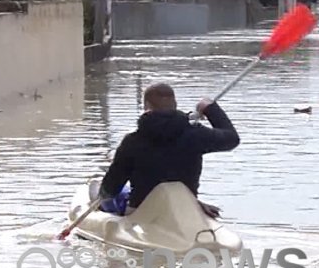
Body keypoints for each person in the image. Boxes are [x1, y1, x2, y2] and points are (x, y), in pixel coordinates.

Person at [98, 83, 239, 217]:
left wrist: (102, 200)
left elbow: (111, 188)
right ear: (175, 105)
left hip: (141, 211)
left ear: (146, 106)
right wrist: (210, 109)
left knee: (113, 198)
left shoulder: (133, 141)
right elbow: (232, 139)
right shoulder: (196, 135)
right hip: (185, 208)